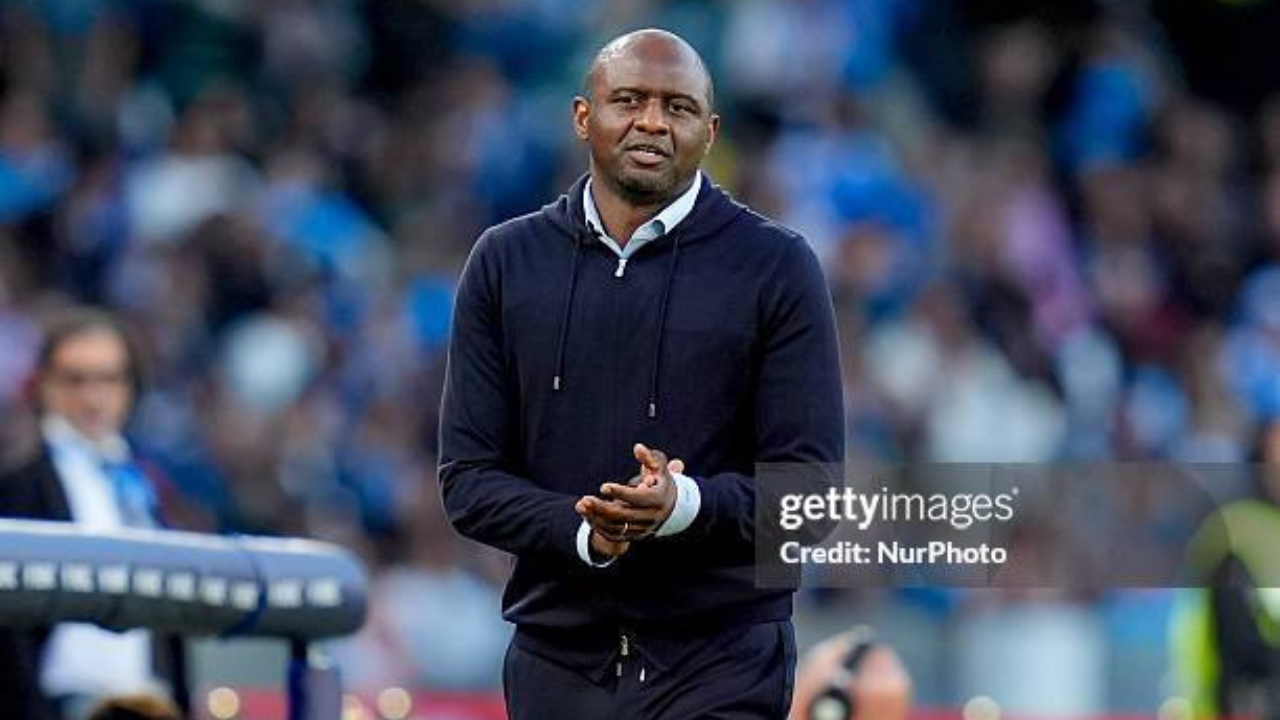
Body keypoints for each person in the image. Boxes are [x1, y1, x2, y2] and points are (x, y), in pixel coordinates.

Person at [438, 28, 844, 719]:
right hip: (556, 658)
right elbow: (468, 481)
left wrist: (684, 506)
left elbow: (812, 495)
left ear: (710, 131)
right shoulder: (505, 262)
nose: (652, 121)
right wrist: (589, 530)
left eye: (678, 107)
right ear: (582, 117)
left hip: (723, 658)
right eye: (628, 99)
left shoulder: (778, 266)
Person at [0, 308, 186, 720]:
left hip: (145, 698)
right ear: (44, 385)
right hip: (59, 701)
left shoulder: (141, 484)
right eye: (75, 379)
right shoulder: (20, 484)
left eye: (108, 378)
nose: (92, 396)